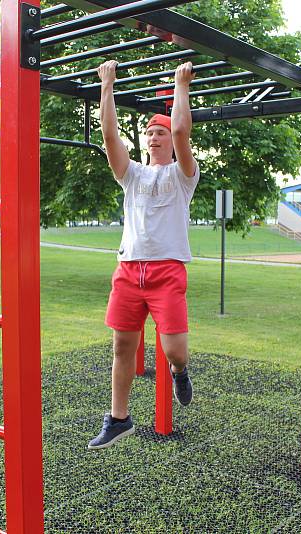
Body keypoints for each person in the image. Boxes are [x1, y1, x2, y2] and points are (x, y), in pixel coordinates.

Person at [88, 60, 199, 450]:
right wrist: (107, 84)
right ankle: (119, 418)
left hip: (167, 271)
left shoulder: (183, 176)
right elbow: (108, 134)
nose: (155, 137)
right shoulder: (131, 174)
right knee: (122, 346)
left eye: (161, 132)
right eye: (150, 132)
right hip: (128, 269)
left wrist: (179, 85)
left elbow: (183, 129)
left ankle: (179, 371)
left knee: (175, 351)